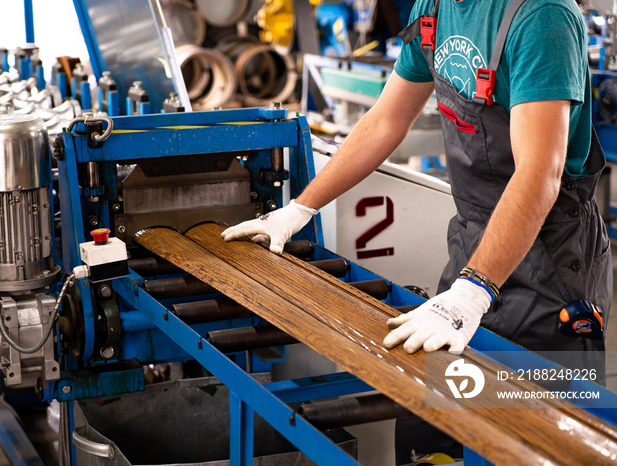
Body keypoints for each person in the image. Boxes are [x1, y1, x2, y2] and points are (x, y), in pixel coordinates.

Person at [223, 0, 611, 458]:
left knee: (538, 437)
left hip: (550, 262)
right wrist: (297, 211)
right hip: (474, 243)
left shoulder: (541, 15)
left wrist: (474, 290)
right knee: (440, 429)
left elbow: (539, 172)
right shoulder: (437, 6)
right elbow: (385, 121)